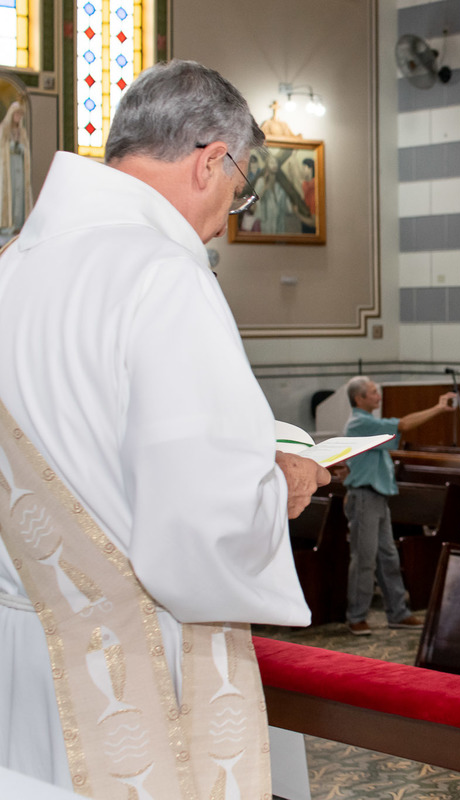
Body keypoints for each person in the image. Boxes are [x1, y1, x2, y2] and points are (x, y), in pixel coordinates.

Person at [0, 60, 330, 797]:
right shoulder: (163, 273)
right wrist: (277, 481)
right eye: (238, 192)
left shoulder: (13, 269)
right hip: (135, 667)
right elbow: (201, 521)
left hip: (19, 654)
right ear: (211, 159)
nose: (226, 217)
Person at [343, 376, 457, 634]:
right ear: (359, 399)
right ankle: (357, 616)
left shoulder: (367, 423)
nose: (377, 395)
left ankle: (397, 612)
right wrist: (439, 408)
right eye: (372, 392)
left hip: (377, 497)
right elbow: (404, 424)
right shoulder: (361, 422)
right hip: (364, 498)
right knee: (364, 559)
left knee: (388, 556)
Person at [0, 100, 31, 236]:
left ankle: (19, 223)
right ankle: (8, 224)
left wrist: (22, 149)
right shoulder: (4, 130)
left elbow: (27, 150)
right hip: (8, 167)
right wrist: (11, 147)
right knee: (10, 192)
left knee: (19, 193)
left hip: (19, 164)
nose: (18, 117)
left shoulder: (22, 132)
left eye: (20, 115)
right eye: (16, 114)